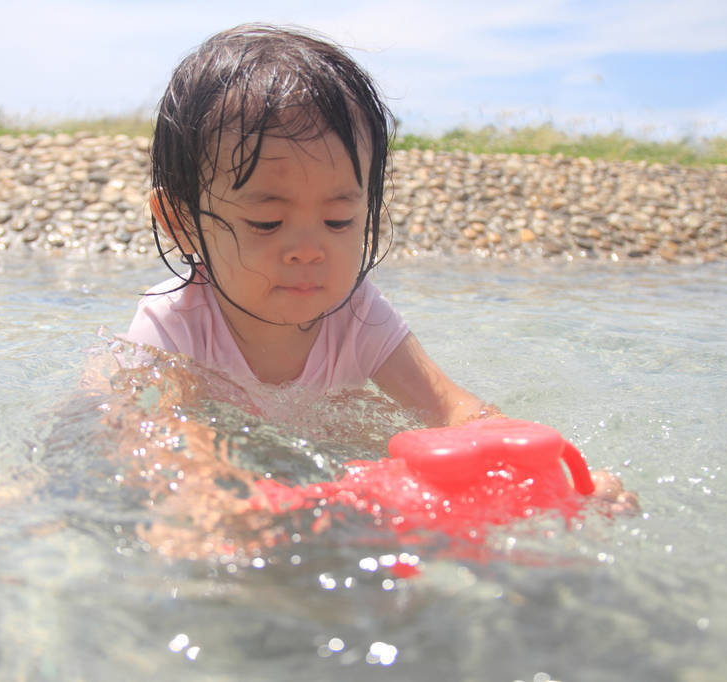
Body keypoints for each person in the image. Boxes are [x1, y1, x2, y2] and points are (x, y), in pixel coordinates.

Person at [109, 25, 635, 555]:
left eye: (338, 220)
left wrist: (541, 472)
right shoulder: (171, 321)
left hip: (335, 458)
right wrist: (205, 492)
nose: (309, 249)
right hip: (239, 462)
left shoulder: (357, 313)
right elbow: (163, 428)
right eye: (268, 223)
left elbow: (452, 407)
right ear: (181, 222)